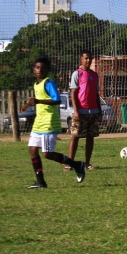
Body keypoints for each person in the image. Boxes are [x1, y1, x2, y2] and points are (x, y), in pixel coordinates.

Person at [24, 57, 85, 189]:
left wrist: (38, 101)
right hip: (39, 122)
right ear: (34, 70)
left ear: (47, 70)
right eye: (37, 67)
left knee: (47, 154)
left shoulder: (48, 83)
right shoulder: (36, 84)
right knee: (32, 150)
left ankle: (77, 165)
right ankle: (40, 182)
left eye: (43, 68)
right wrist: (29, 104)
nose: (40, 70)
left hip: (49, 122)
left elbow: (57, 100)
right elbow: (39, 100)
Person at [64, 50, 101, 171]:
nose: (88, 60)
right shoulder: (77, 74)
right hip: (80, 111)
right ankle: (70, 163)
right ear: (81, 59)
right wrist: (76, 111)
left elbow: (96, 94)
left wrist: (99, 110)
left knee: (90, 137)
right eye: (86, 58)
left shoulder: (94, 75)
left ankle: (87, 163)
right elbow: (73, 94)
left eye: (90, 58)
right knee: (75, 136)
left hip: (93, 111)